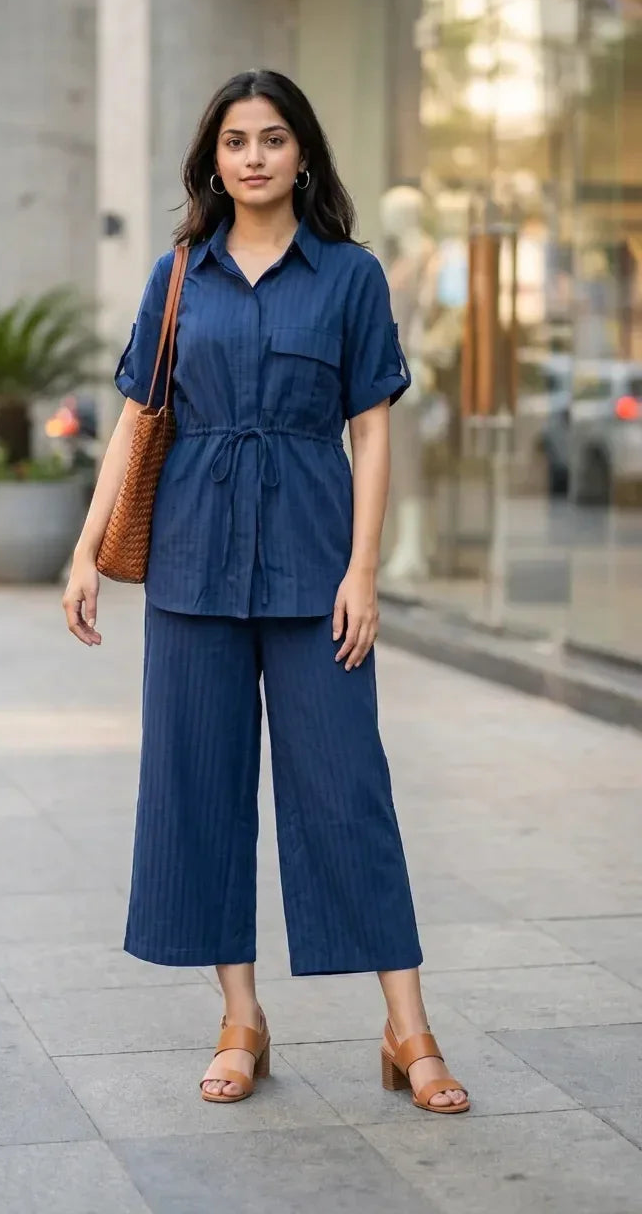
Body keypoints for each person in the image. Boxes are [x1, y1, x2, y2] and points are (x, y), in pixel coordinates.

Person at [63, 69, 469, 1115]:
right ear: (213, 159)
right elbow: (135, 415)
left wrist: (364, 567)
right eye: (235, 140)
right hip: (194, 563)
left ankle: (407, 1024)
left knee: (348, 791)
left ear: (303, 156)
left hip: (313, 561)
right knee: (199, 789)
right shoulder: (179, 273)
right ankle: (240, 1017)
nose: (253, 156)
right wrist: (85, 548)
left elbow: (372, 426)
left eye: (274, 138)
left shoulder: (349, 275)